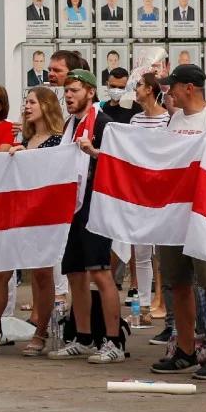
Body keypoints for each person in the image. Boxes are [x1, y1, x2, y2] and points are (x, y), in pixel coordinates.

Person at [0, 87, 63, 355]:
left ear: (46, 106)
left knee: (42, 274)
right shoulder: (24, 137)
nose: (27, 106)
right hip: (15, 212)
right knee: (0, 271)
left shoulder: (57, 140)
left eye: (32, 102)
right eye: (25, 102)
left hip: (40, 214)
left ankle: (40, 333)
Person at [150, 64, 206, 380]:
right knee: (178, 283)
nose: (168, 91)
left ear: (189, 88)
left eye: (172, 86)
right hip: (175, 213)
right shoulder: (176, 119)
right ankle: (185, 350)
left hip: (204, 213)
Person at [44, 69, 125, 364]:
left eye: (75, 90)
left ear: (90, 92)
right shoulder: (70, 125)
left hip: (96, 206)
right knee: (75, 272)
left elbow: (119, 162)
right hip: (72, 206)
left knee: (100, 272)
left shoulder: (103, 123)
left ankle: (114, 340)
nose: (69, 95)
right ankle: (82, 336)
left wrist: (93, 152)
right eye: (66, 91)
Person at [129, 73, 170, 329]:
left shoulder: (168, 118)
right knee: (141, 252)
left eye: (140, 85)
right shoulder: (135, 119)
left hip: (163, 192)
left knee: (164, 253)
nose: (136, 90)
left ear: (151, 90)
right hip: (140, 192)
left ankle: (165, 303)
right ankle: (143, 306)